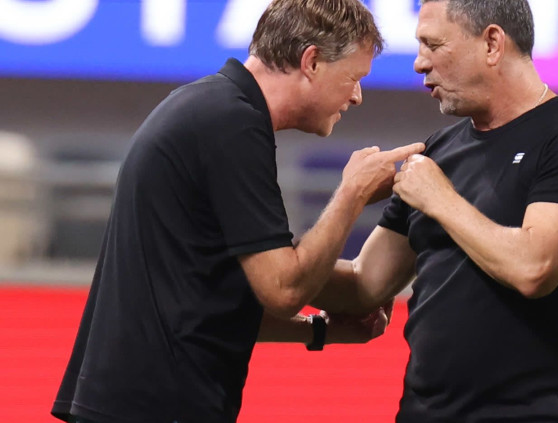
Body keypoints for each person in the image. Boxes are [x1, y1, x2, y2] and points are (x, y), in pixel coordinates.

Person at [50, 0, 425, 422]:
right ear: (312, 61)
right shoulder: (233, 125)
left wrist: (322, 329)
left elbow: (211, 302)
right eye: (353, 78)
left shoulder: (209, 106)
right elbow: (284, 289)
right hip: (157, 407)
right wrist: (351, 192)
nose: (356, 96)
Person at [311, 0, 558, 421]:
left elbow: (535, 267)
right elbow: (364, 283)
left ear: (492, 43)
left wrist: (441, 200)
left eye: (433, 45)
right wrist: (266, 263)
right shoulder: (439, 150)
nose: (420, 63)